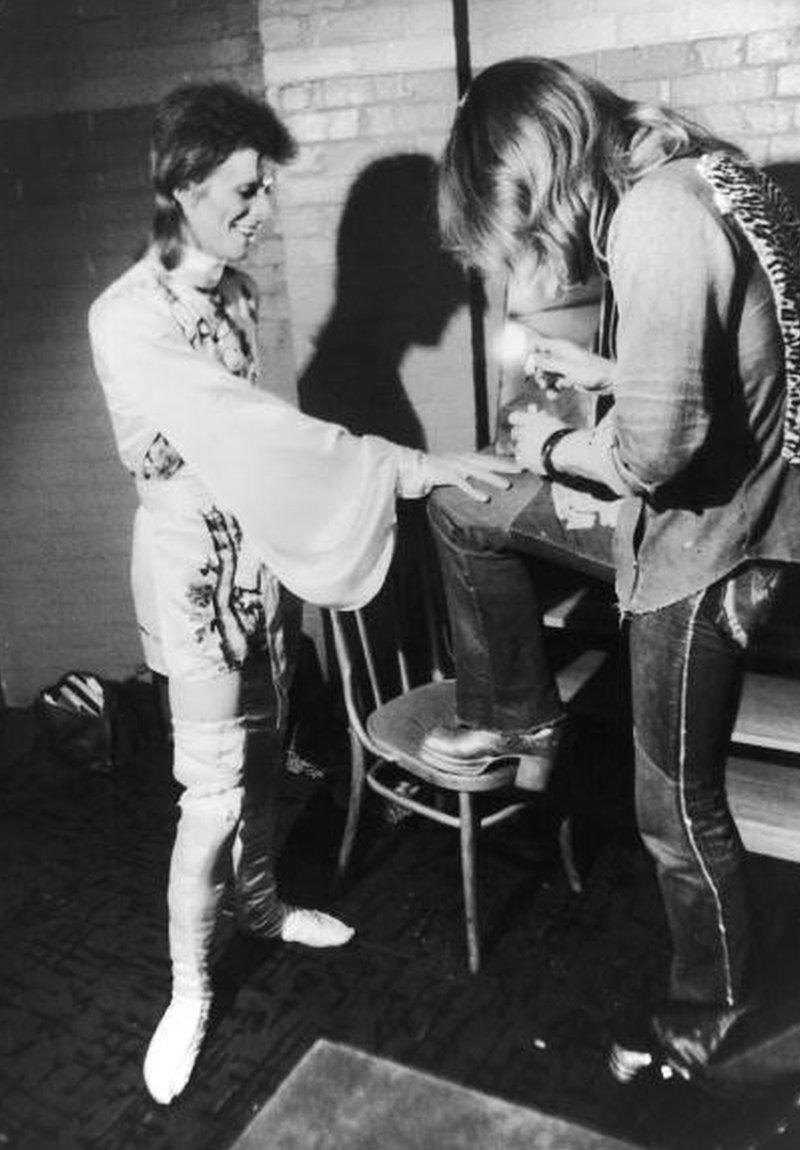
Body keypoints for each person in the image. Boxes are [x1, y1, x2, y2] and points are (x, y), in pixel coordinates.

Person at [88, 81, 515, 1106]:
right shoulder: (126, 317)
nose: (262, 212)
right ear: (183, 185)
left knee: (269, 759)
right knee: (213, 798)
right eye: (244, 190)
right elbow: (257, 436)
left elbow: (259, 450)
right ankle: (190, 988)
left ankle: (266, 905)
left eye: (269, 189)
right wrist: (412, 466)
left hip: (256, 570)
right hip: (195, 585)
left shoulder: (230, 295)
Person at [420, 56, 800, 1080]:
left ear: (544, 173)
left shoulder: (653, 217)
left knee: (672, 807)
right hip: (738, 511)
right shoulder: (702, 172)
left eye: (530, 232)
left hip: (713, 543)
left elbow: (653, 454)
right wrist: (598, 373)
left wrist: (547, 446)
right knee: (464, 505)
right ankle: (522, 717)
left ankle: (706, 1013)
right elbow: (725, 357)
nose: (542, 260)